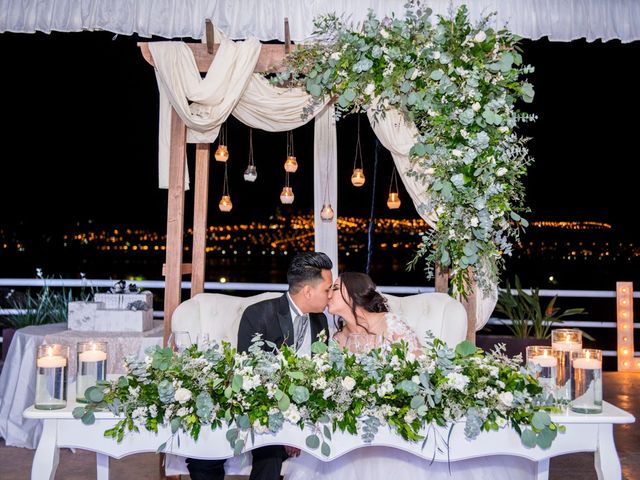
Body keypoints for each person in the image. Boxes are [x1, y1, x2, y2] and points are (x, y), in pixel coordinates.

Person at [284, 271, 536, 480]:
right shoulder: (337, 340)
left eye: (335, 288)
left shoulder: (389, 324)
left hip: (395, 418)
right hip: (357, 423)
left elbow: (418, 371)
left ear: (351, 292)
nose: (328, 294)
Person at [186, 251, 334, 480]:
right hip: (255, 405)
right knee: (203, 457)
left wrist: (292, 429)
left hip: (294, 413)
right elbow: (248, 376)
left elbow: (320, 377)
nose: (331, 295)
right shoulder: (259, 315)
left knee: (271, 454)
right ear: (308, 291)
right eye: (327, 289)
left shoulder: (320, 321)